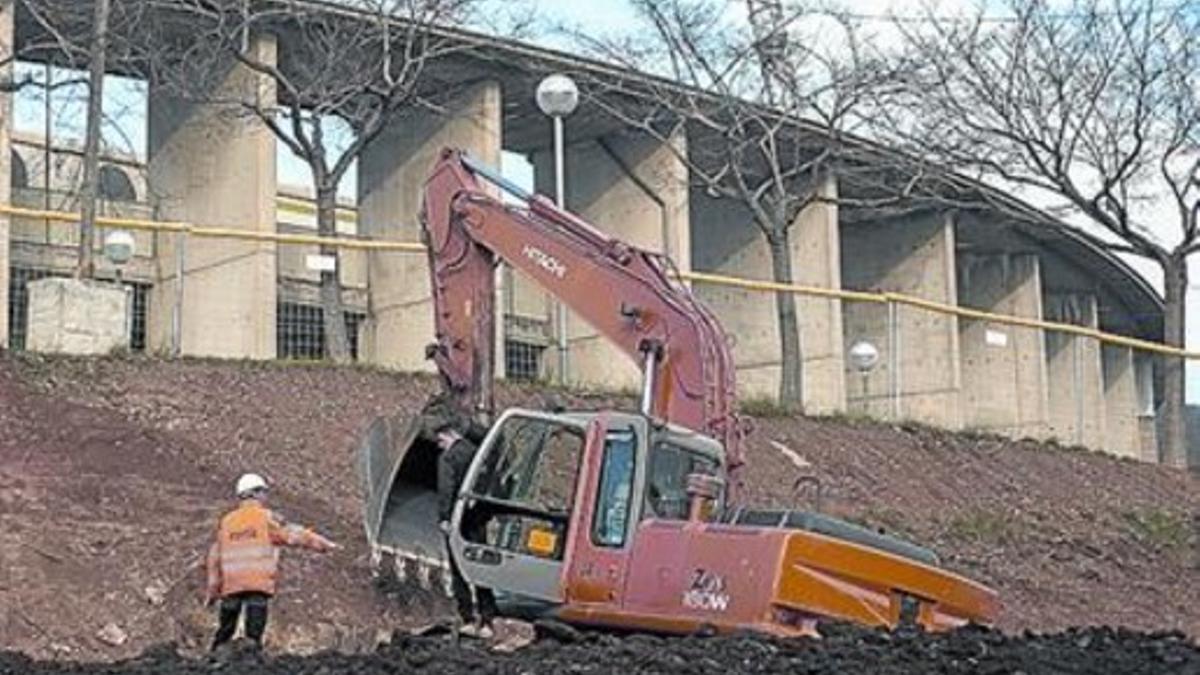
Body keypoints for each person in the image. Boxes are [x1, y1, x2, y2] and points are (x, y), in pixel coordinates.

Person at [205, 473, 339, 651]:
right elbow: (294, 534)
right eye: (264, 492)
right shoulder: (266, 518)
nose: (265, 497)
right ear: (257, 493)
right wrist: (323, 544)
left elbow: (214, 556)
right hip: (257, 585)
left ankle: (213, 659)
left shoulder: (227, 522)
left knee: (225, 631)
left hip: (231, 586)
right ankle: (251, 662)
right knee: (253, 636)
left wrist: (213, 591)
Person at [434, 423, 498, 638]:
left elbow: (446, 487)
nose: (440, 445)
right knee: (479, 566)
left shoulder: (448, 458)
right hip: (477, 519)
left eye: (441, 440)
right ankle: (487, 620)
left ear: (451, 434)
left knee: (458, 569)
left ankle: (468, 619)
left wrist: (444, 517)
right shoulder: (478, 453)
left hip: (457, 520)